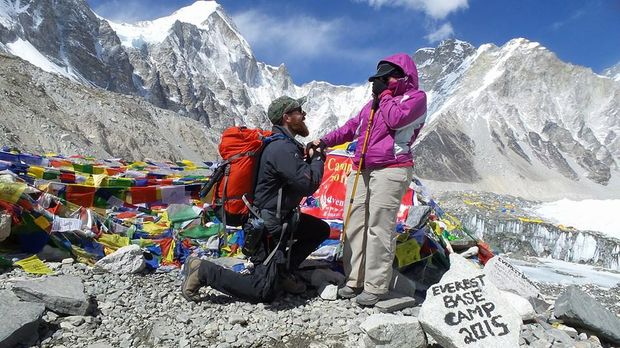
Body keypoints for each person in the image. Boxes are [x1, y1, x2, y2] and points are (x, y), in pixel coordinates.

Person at [181, 96, 330, 303]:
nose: (304, 115)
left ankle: (283, 272)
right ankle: (203, 270)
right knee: (262, 291)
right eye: (299, 111)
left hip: (281, 220)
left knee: (319, 230)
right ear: (287, 117)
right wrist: (318, 158)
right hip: (267, 227)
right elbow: (308, 184)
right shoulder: (281, 149)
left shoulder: (284, 146)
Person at [312, 53, 427, 306]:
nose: (378, 83)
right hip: (361, 168)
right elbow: (351, 127)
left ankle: (376, 286)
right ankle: (354, 280)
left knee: (379, 226)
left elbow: (397, 119)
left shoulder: (415, 99)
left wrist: (385, 95)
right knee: (354, 223)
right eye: (377, 80)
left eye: (384, 78)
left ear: (399, 77)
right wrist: (324, 141)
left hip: (392, 168)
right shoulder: (371, 105)